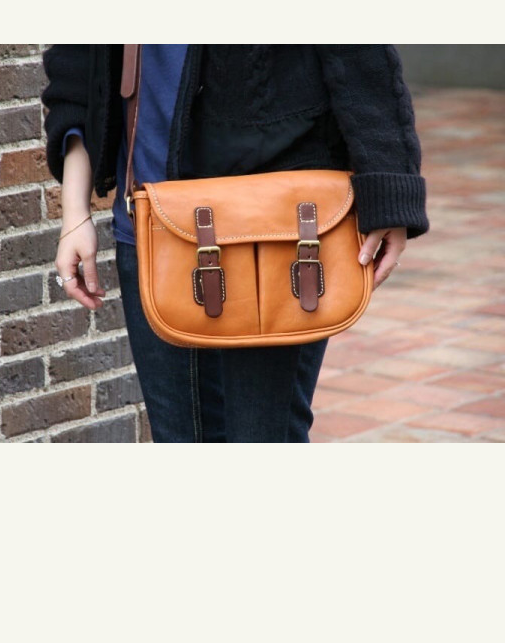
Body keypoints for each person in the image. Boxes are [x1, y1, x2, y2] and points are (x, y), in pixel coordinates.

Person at [42, 45, 429, 443]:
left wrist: (390, 186)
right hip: (150, 222)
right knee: (179, 439)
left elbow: (360, 55)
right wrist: (75, 210)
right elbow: (80, 62)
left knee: (264, 438)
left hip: (282, 233)